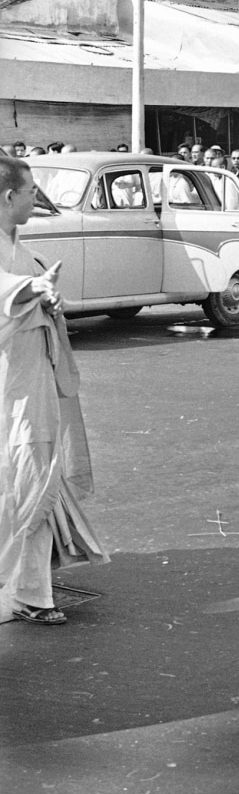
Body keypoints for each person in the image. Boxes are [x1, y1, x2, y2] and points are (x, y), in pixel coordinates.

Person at [0, 157, 108, 625]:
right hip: (15, 385)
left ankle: (32, 590)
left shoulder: (16, 243)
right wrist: (31, 288)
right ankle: (23, 591)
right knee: (29, 477)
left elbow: (26, 292)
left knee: (33, 475)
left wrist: (47, 298)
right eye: (29, 193)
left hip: (30, 377)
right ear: (8, 197)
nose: (33, 200)